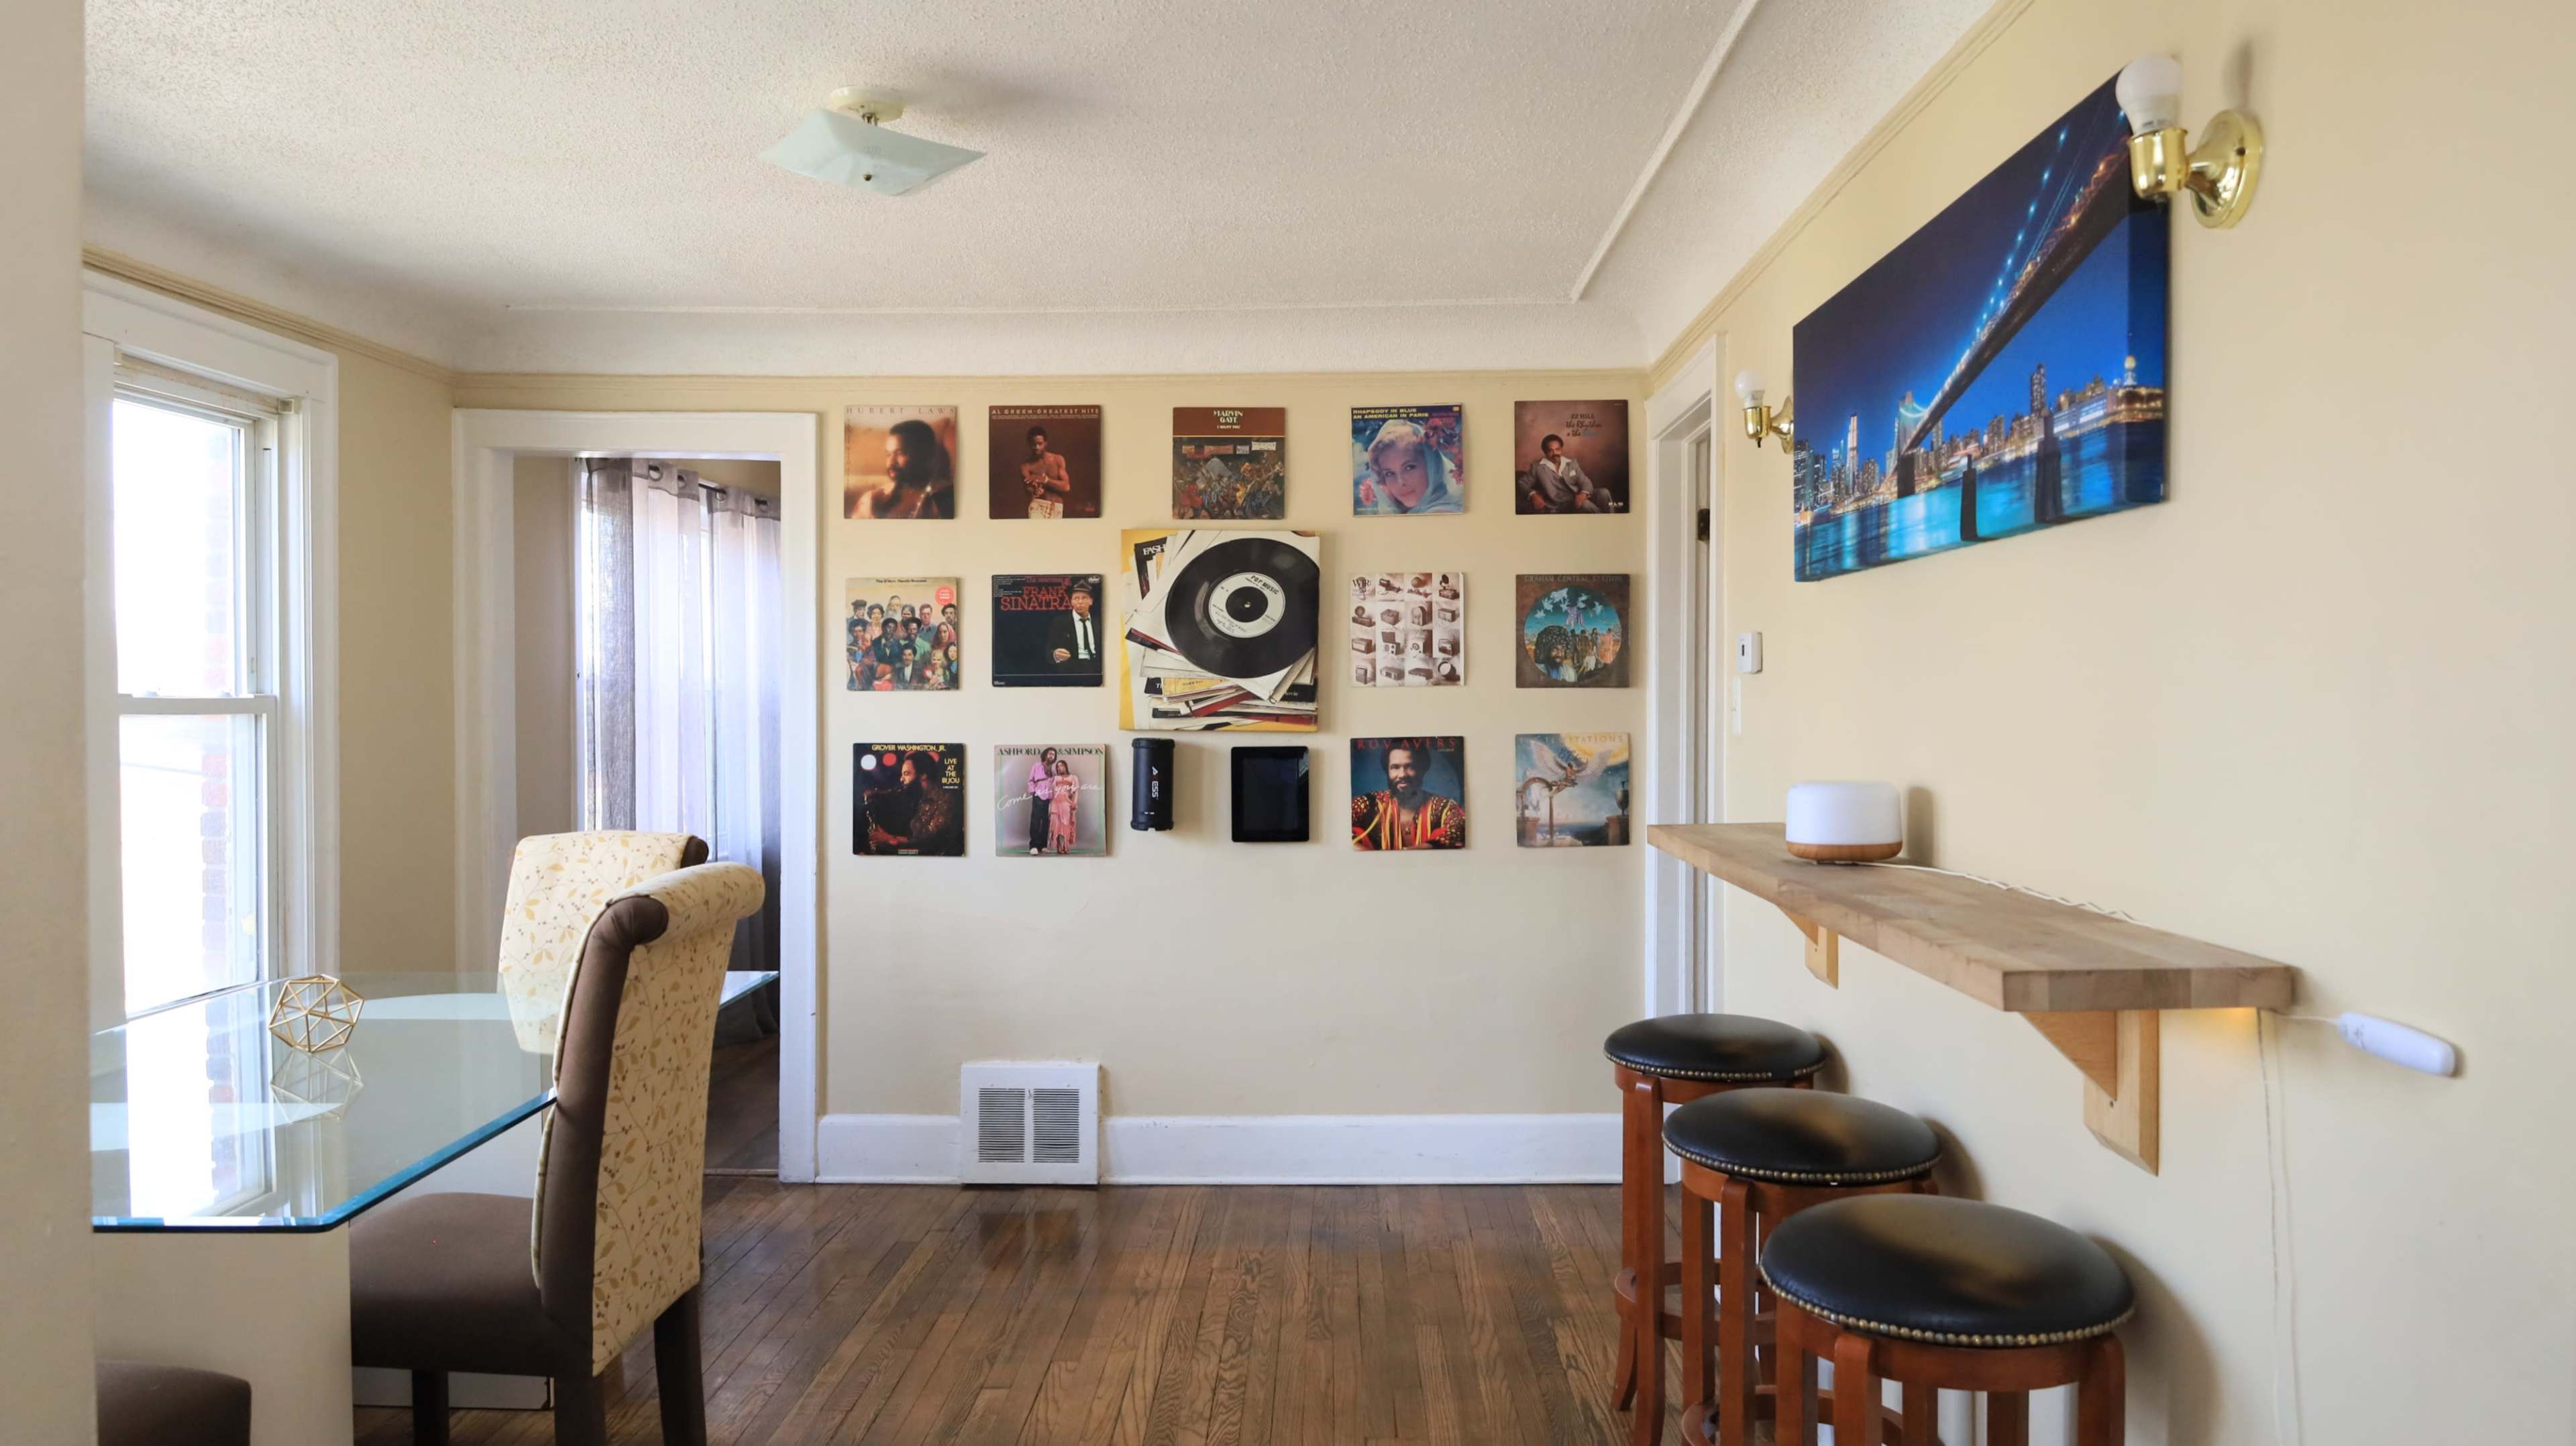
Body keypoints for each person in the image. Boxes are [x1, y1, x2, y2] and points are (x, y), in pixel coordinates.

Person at [1351, 742, 1466, 850]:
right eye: (1395, 767)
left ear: (1423, 770)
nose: (1402, 775)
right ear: (1387, 771)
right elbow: (1342, 829)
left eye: (1410, 767)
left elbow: (1459, 829)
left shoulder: (1444, 807)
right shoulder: (1369, 803)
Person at [851, 419, 955, 518]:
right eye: (888, 454)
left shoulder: (943, 498)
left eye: (900, 453)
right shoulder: (872, 501)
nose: (891, 462)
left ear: (924, 455)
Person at [1354, 417, 1460, 514]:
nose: (1401, 482)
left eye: (1409, 467)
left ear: (1431, 464)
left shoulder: (1440, 513)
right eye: (1389, 473)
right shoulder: (1417, 511)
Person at [1521, 433, 1605, 513]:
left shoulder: (1571, 463)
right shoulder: (1537, 467)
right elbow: (1523, 483)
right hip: (1560, 504)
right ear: (1545, 452)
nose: (1555, 453)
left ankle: (1612, 518)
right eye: (1551, 451)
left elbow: (1585, 482)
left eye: (1557, 449)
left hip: (1577, 496)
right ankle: (1605, 521)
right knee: (1585, 504)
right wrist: (1533, 495)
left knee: (1604, 493)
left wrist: (1582, 495)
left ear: (1561, 449)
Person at [1045, 582, 1102, 675]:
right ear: (1071, 602)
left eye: (1084, 598)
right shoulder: (1060, 623)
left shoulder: (1099, 622)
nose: (1080, 602)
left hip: (1096, 668)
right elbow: (1049, 653)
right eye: (1076, 598)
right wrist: (1056, 654)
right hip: (1071, 670)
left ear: (1091, 601)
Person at [1019, 425, 1073, 520]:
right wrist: (1034, 490)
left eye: (1040, 444)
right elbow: (1029, 490)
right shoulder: (1026, 466)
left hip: (1057, 507)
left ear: (1046, 443)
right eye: (1033, 444)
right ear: (1029, 444)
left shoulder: (1058, 459)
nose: (1037, 447)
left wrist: (1045, 480)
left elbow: (1066, 487)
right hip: (1037, 506)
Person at [1023, 746, 1058, 853]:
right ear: (1045, 755)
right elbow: (1030, 780)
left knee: (1046, 822)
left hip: (1049, 797)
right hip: (1039, 795)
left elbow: (1054, 785)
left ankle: (1043, 846)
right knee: (1036, 821)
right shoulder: (1037, 766)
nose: (1051, 756)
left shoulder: (1053, 771)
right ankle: (1034, 846)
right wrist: (1034, 792)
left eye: (1053, 755)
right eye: (1050, 754)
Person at [1046, 757, 1081, 853]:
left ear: (1065, 766)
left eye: (1061, 766)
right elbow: (1052, 791)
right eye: (1057, 767)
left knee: (1066, 823)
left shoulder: (1073, 777)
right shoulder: (1056, 778)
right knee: (1056, 823)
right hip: (1056, 801)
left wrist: (1075, 802)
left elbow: (1076, 791)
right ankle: (1058, 846)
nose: (1059, 768)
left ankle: (1066, 845)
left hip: (1066, 801)